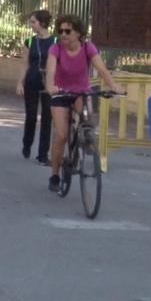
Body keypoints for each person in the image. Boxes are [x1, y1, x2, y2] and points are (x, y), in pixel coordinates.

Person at [44, 14, 124, 192]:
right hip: (61, 93)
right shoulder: (55, 49)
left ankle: (87, 140)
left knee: (87, 117)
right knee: (62, 135)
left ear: (78, 33)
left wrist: (114, 86)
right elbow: (50, 72)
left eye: (67, 31)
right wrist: (51, 86)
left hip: (81, 92)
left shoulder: (88, 48)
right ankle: (55, 174)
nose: (63, 34)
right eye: (60, 31)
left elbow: (102, 69)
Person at [16, 10, 55, 165]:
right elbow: (24, 63)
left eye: (33, 22)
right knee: (31, 116)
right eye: (31, 22)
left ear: (42, 23)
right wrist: (20, 82)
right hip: (32, 81)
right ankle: (27, 143)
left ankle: (43, 154)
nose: (31, 25)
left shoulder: (56, 41)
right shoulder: (29, 42)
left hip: (50, 84)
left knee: (47, 118)